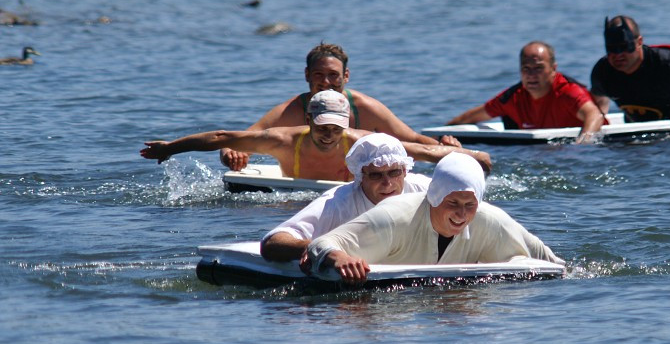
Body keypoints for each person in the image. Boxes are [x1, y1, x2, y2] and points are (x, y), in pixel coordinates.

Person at [306, 152, 564, 284]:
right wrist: (339, 257)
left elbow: (552, 263)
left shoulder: (490, 220)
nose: (461, 214)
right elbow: (320, 243)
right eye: (452, 203)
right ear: (434, 197)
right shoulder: (393, 217)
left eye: (469, 205)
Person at [141, 91, 491, 181]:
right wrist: (172, 148)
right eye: (321, 126)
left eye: (334, 128)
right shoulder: (281, 140)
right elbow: (221, 137)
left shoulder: (360, 141)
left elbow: (420, 151)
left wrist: (476, 159)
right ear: (309, 118)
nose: (327, 134)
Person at [220, 42, 458, 172]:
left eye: (333, 75)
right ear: (306, 75)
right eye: (318, 75)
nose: (325, 82)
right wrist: (232, 153)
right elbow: (240, 139)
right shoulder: (291, 110)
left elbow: (412, 138)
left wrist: (447, 149)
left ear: (346, 76)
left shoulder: (365, 108)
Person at [260, 133, 431, 262]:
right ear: (360, 176)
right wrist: (326, 251)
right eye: (376, 175)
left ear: (405, 170)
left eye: (394, 172)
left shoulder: (426, 190)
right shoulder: (337, 202)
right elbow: (272, 242)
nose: (388, 183)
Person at [446, 41, 605, 144]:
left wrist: (582, 144)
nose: (531, 75)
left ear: (553, 69)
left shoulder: (567, 91)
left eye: (538, 68)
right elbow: (469, 118)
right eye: (526, 69)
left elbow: (594, 116)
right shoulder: (513, 97)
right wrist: (440, 137)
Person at [590, 15, 670, 122]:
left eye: (625, 47)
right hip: (636, 136)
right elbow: (598, 103)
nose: (618, 54)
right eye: (611, 49)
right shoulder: (603, 73)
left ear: (639, 42)